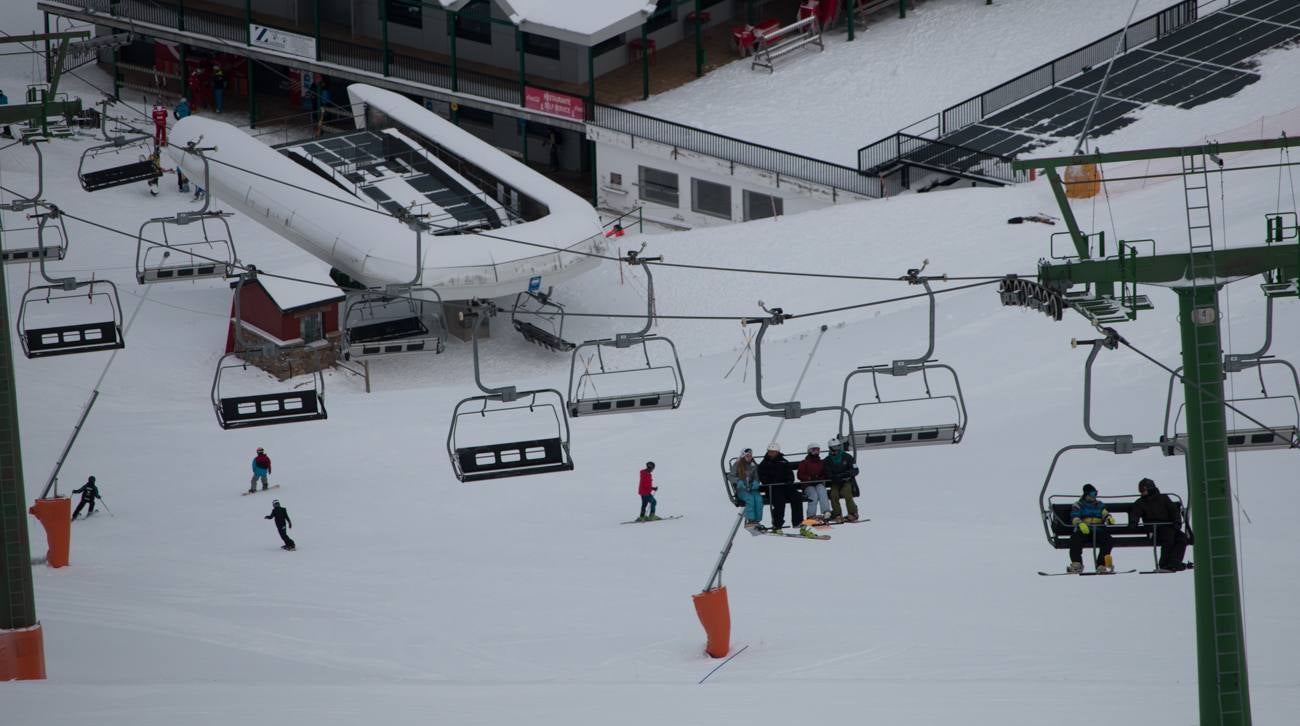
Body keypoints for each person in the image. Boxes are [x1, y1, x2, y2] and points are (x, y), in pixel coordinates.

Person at [1130, 477, 1188, 571]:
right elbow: (1135, 514)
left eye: (1143, 490)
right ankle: (1164, 564)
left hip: (1169, 527)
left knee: (1182, 538)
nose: (1142, 493)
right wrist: (1133, 523)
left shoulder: (1164, 498)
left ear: (1149, 489)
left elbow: (1173, 511)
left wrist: (1177, 522)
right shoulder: (1140, 503)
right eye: (1140, 491)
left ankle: (1174, 562)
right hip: (1154, 529)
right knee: (1168, 538)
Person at [758, 443, 812, 535]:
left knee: (797, 496)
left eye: (774, 452)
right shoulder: (764, 463)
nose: (771, 454)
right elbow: (763, 478)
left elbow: (790, 474)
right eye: (770, 452)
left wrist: (789, 481)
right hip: (773, 489)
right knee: (779, 502)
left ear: (777, 452)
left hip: (785, 487)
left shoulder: (783, 462)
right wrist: (771, 482)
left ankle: (798, 522)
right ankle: (777, 525)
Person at [1068, 483, 1115, 573]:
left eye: (1095, 494)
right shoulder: (1078, 505)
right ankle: (1077, 564)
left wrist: (1109, 518)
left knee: (1108, 540)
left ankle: (1101, 565)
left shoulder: (1099, 505)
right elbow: (1074, 516)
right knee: (1075, 540)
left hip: (1098, 530)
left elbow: (1105, 513)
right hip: (1084, 530)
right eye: (1093, 494)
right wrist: (1080, 524)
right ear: (1086, 495)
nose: (1095, 496)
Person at [823, 437, 859, 522]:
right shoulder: (827, 460)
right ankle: (837, 514)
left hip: (846, 481)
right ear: (830, 448)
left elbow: (855, 470)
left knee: (846, 492)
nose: (837, 449)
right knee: (833, 494)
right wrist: (835, 477)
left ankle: (853, 512)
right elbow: (828, 473)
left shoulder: (847, 457)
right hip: (836, 482)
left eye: (838, 446)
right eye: (834, 447)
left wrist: (846, 474)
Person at [797, 442, 830, 523]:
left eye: (818, 450)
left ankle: (826, 512)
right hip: (808, 485)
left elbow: (824, 473)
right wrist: (809, 478)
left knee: (822, 491)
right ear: (809, 451)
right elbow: (800, 475)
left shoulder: (821, 462)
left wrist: (820, 478)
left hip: (818, 483)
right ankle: (811, 515)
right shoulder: (804, 462)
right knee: (813, 495)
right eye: (814, 450)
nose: (816, 452)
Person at [729, 447, 763, 526]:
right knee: (750, 499)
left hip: (752, 488)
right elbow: (730, 476)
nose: (749, 457)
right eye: (747, 455)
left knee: (758, 499)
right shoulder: (737, 464)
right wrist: (738, 481)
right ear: (743, 455)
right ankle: (751, 520)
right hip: (742, 489)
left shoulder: (753, 465)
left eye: (750, 455)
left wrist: (756, 482)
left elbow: (756, 476)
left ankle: (757, 521)